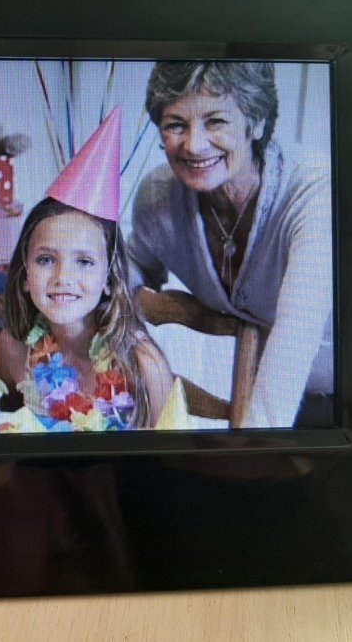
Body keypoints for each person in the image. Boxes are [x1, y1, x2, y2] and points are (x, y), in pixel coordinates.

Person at [127, 61, 333, 428]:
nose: (194, 145)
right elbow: (128, 268)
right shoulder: (158, 197)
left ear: (256, 122)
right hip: (275, 403)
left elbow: (295, 335)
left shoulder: (315, 190)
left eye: (216, 121)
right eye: (176, 124)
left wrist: (250, 448)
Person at [0, 107, 173, 428]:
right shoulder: (16, 348)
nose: (63, 277)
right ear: (25, 275)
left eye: (84, 262)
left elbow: (169, 452)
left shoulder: (144, 366)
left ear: (109, 278)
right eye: (46, 260)